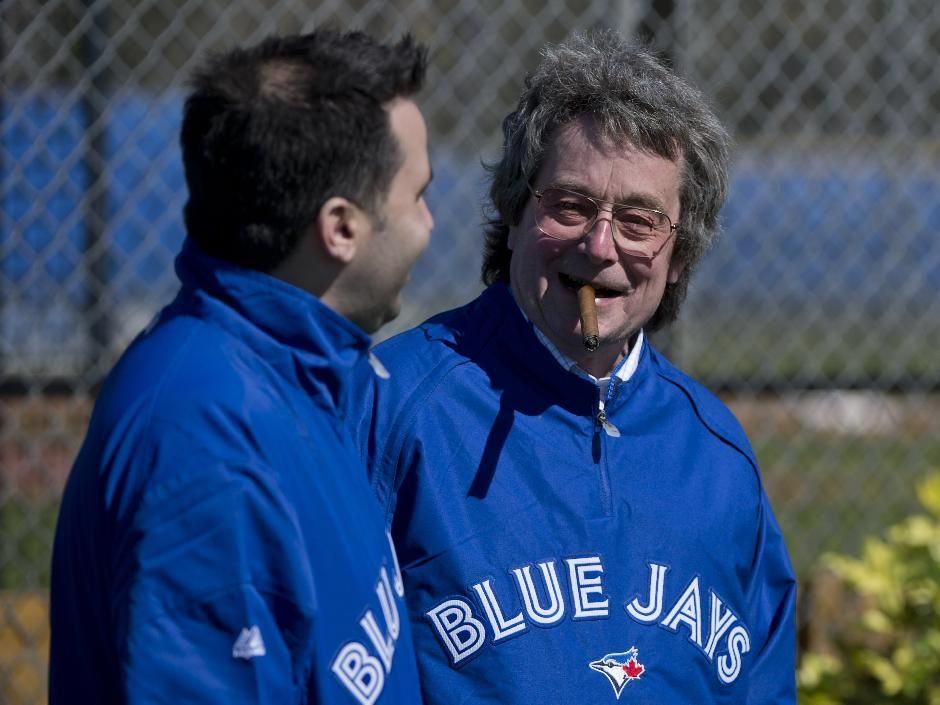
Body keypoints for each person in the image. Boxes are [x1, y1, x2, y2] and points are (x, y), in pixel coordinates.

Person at [349, 31, 796, 704]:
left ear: (681, 254)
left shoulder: (718, 458)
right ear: (515, 211)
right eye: (570, 205)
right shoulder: (390, 408)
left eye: (641, 221)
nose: (599, 244)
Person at [50, 29, 433, 704]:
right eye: (417, 195)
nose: (430, 224)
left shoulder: (306, 373)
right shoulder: (204, 450)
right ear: (341, 227)